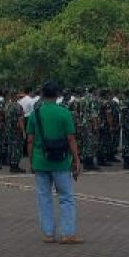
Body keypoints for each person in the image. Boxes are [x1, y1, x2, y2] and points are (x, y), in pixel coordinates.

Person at [25, 81, 81, 245]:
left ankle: (48, 233)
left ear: (42, 95)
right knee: (66, 197)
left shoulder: (35, 114)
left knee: (44, 197)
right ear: (57, 95)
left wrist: (32, 161)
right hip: (61, 161)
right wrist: (76, 160)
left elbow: (30, 140)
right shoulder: (64, 113)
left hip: (41, 161)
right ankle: (68, 233)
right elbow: (71, 138)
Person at [4, 93, 26, 173]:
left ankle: (12, 165)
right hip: (16, 130)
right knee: (16, 148)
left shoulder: (7, 106)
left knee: (11, 147)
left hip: (9, 130)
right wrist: (23, 131)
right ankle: (15, 166)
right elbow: (20, 120)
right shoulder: (18, 107)